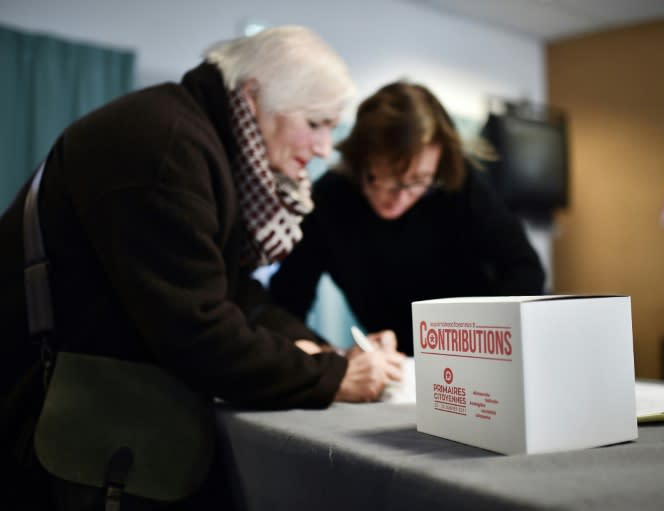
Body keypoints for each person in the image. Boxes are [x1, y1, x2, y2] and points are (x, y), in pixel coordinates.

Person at [0, 26, 403, 509]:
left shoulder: (191, 134)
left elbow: (233, 294)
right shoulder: (169, 146)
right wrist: (333, 375)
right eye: (316, 123)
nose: (322, 148)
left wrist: (327, 351)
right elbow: (199, 331)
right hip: (44, 419)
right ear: (255, 96)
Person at [270, 81, 546, 356]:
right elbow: (286, 301)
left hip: (475, 352)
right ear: (359, 160)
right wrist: (325, 355)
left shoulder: (458, 186)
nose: (398, 198)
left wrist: (486, 340)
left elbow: (525, 269)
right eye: (383, 179)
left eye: (418, 182)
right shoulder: (329, 199)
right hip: (397, 363)